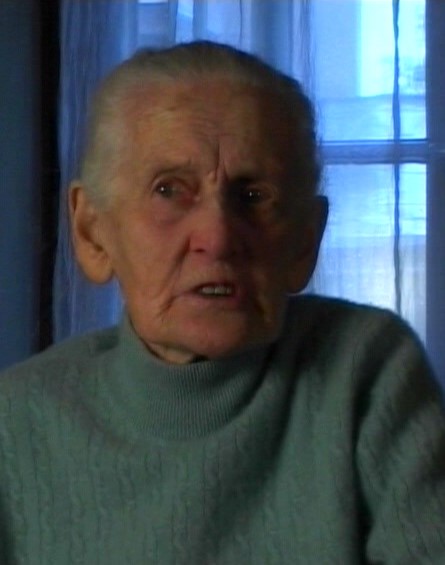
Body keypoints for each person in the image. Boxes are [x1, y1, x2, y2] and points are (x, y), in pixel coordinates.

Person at [0, 41, 444, 564]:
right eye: (169, 190)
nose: (218, 237)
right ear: (92, 233)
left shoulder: (365, 371)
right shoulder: (15, 422)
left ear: (305, 241)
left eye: (253, 196)